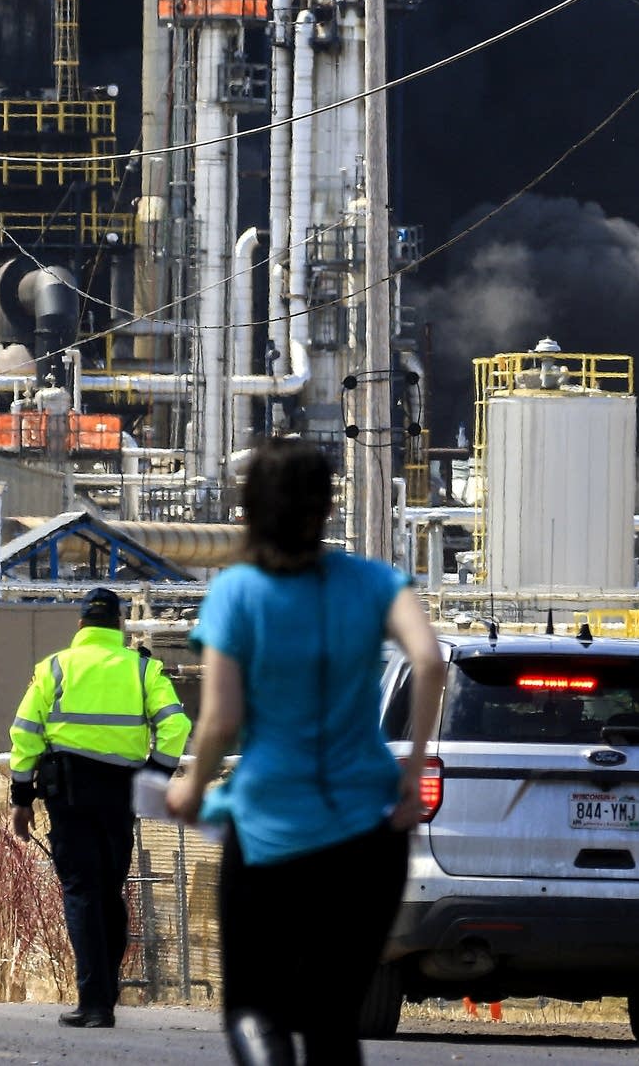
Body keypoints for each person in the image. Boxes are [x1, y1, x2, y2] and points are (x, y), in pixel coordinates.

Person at [166, 439, 443, 1066]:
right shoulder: (373, 582)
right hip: (367, 829)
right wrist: (413, 770)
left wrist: (192, 784)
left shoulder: (236, 593)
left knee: (253, 1011)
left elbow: (222, 718)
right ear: (326, 507)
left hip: (269, 824)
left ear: (251, 510)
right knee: (331, 1017)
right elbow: (428, 661)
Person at [9, 586, 191, 1029]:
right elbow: (176, 725)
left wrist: (21, 798)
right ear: (120, 625)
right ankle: (104, 997)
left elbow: (25, 733)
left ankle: (94, 1001)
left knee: (82, 891)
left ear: (80, 626)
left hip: (68, 794)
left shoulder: (54, 667)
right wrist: (156, 776)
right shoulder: (143, 669)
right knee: (109, 890)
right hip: (121, 794)